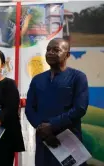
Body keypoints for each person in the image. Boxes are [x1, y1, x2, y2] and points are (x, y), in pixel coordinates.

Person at [25, 38, 89, 166]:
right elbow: (30, 109)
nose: (50, 53)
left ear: (68, 54)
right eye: (48, 49)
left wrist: (52, 126)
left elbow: (80, 108)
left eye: (56, 50)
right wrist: (43, 130)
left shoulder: (78, 77)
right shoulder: (37, 79)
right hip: (44, 140)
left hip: (68, 140)